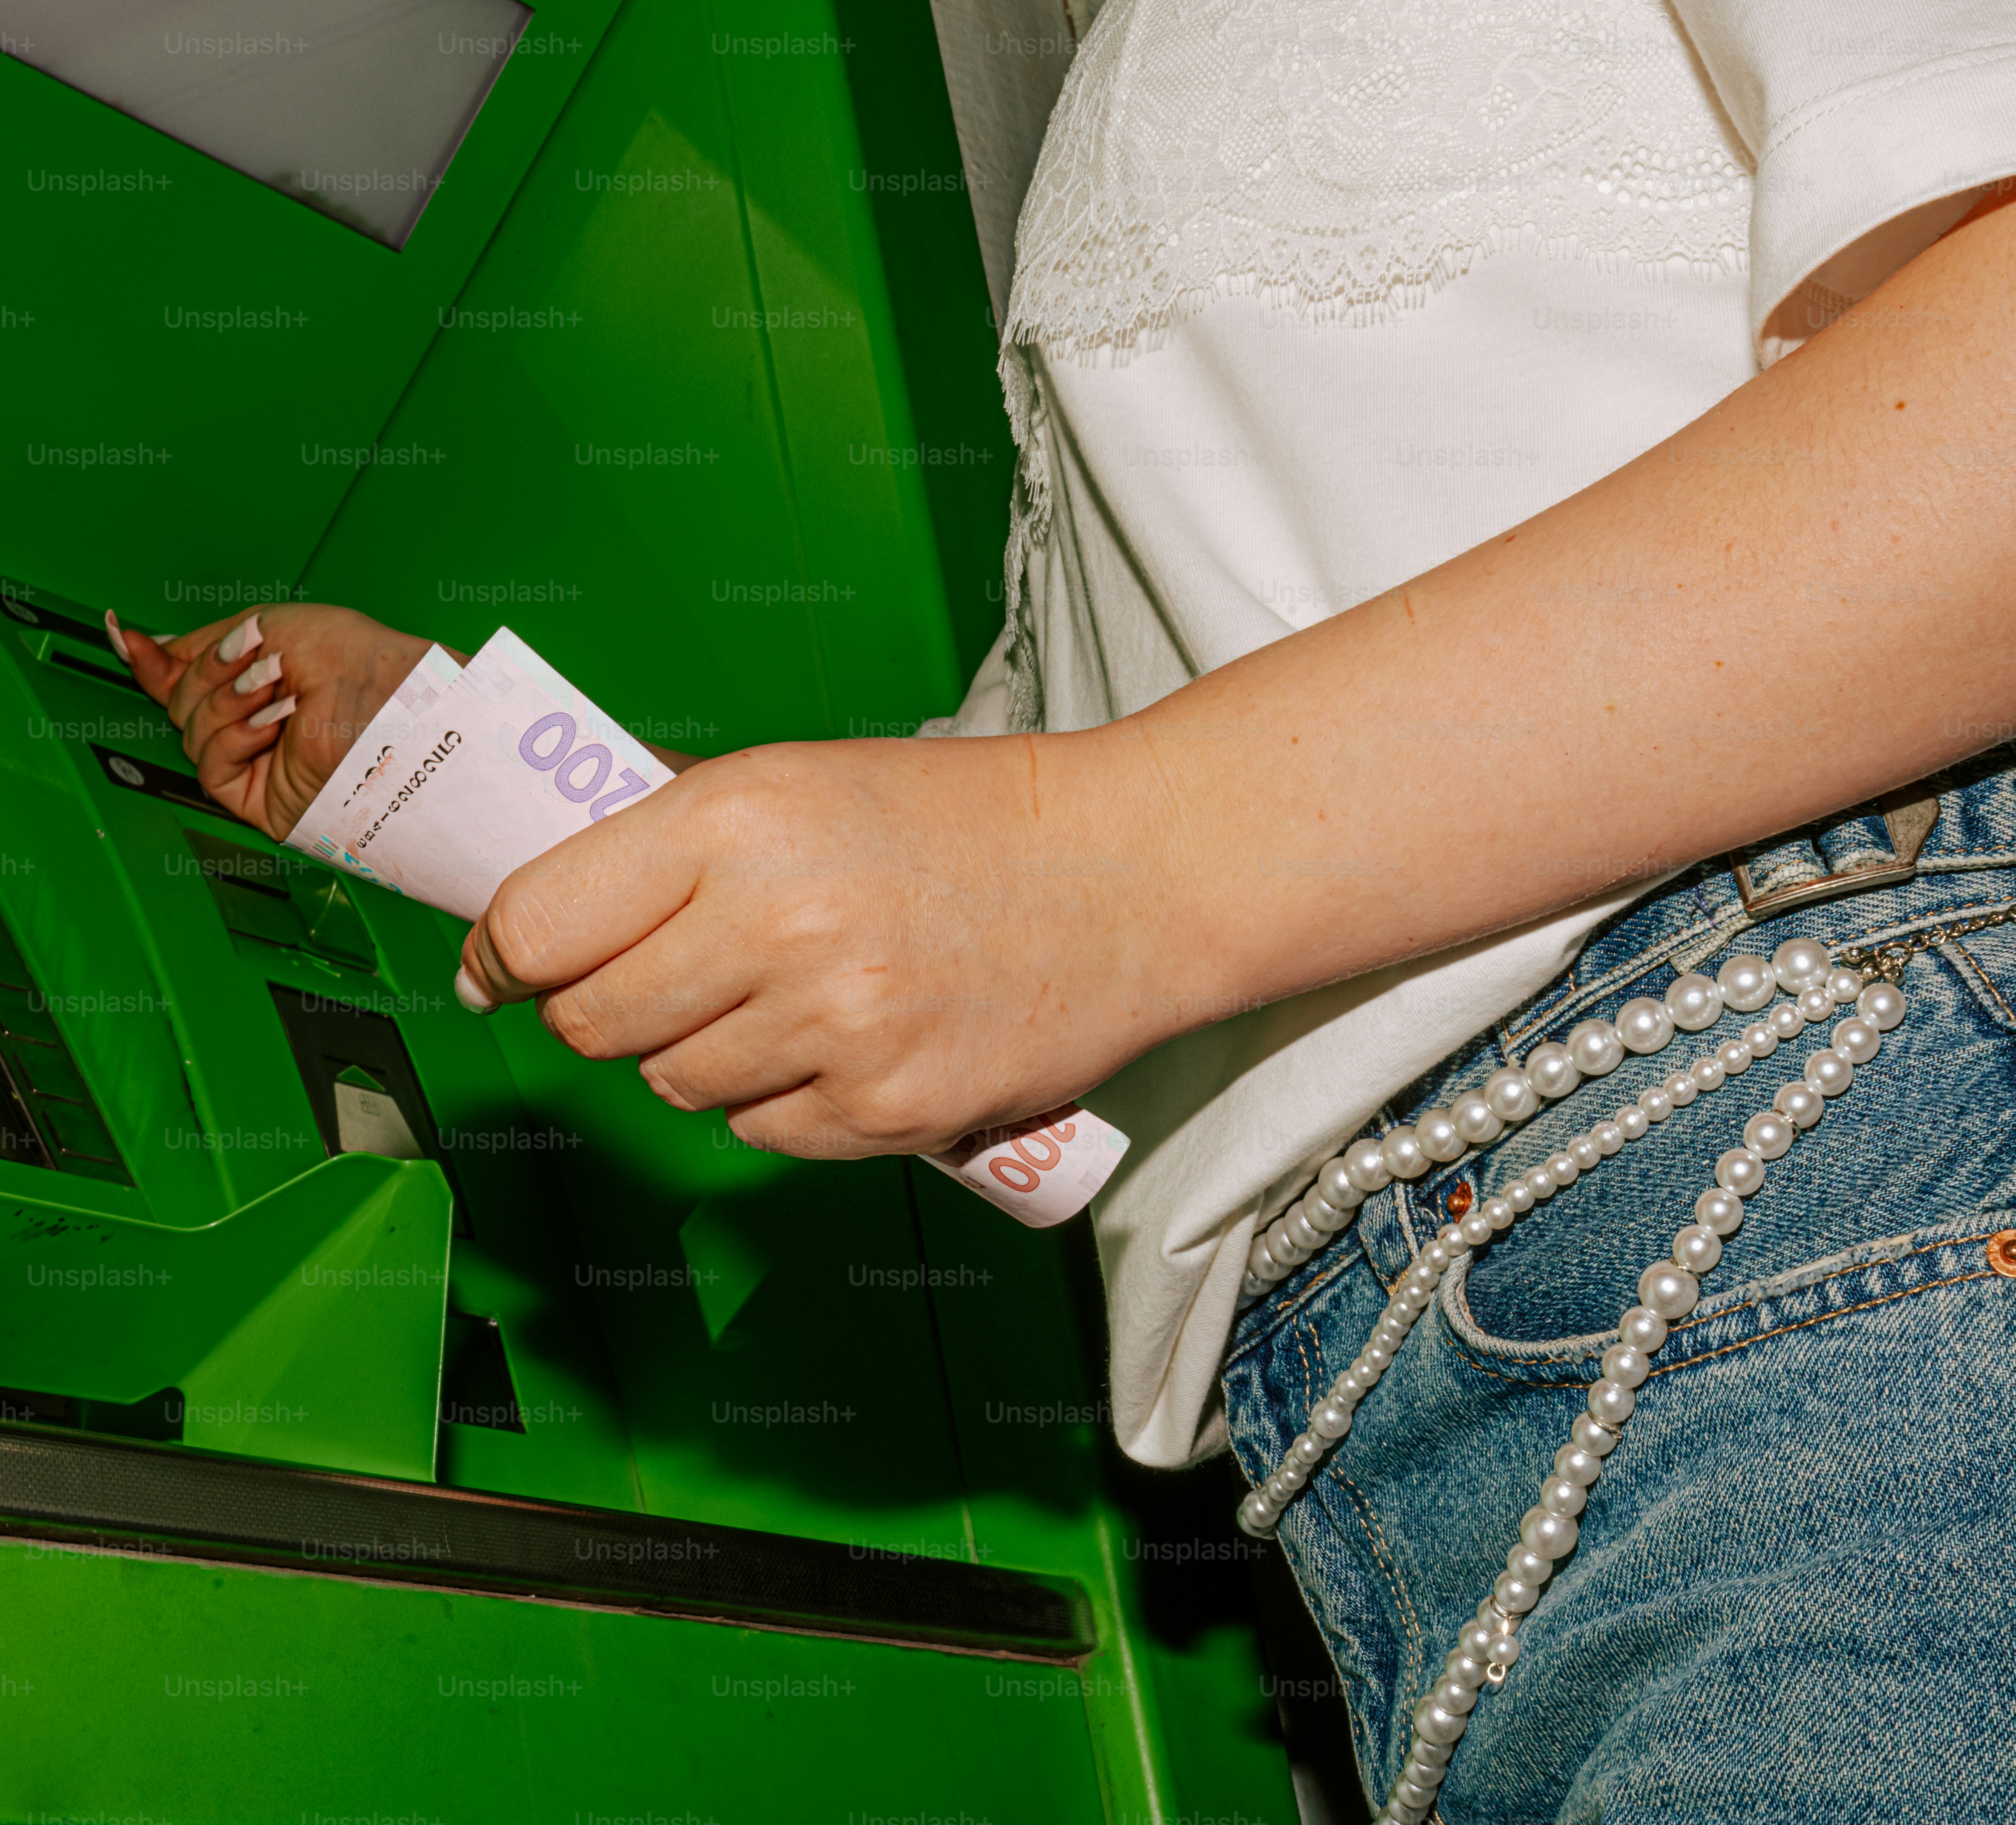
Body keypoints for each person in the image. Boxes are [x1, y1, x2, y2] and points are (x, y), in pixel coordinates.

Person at [119, 7, 2016, 1817]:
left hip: (1815, 1167)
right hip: (1449, 1410)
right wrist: (441, 766)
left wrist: (1095, 860)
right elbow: (1034, 838)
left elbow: (1085, 857)